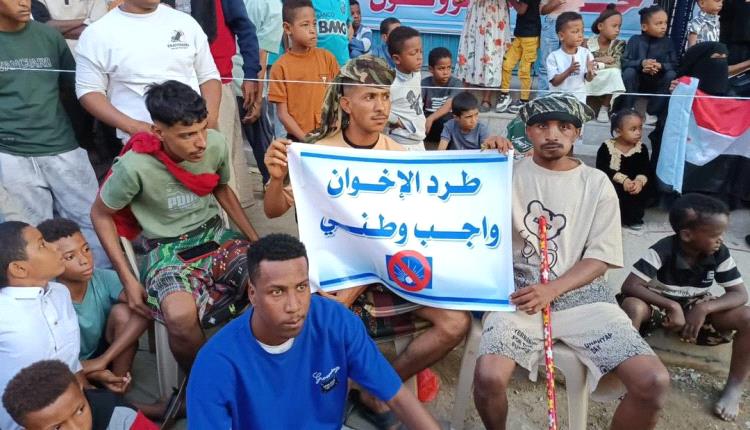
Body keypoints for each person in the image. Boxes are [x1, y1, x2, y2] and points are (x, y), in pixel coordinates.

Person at [264, 55, 472, 428]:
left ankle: (377, 388)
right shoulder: (317, 153)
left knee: (456, 322)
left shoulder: (398, 156)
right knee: (308, 323)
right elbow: (273, 210)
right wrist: (276, 179)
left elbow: (401, 233)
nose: (380, 107)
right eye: (369, 97)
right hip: (328, 278)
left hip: (383, 275)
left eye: (385, 96)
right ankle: (320, 395)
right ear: (346, 104)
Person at [474, 93, 670, 430]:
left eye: (564, 126)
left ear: (577, 133)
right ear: (528, 131)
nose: (553, 134)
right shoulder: (505, 173)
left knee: (653, 382)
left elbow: (601, 257)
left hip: (585, 296)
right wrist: (484, 157)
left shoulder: (596, 183)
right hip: (519, 296)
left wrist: (553, 289)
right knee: (489, 376)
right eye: (542, 126)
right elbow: (465, 200)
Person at [186, 234, 441, 429]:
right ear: (252, 294)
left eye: (301, 287)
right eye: (277, 291)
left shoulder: (336, 322)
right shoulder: (216, 364)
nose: (294, 306)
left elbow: (397, 397)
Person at [90, 81, 259, 372]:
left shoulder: (215, 144)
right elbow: (100, 214)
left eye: (202, 129)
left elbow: (221, 188)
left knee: (269, 281)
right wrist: (128, 279)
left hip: (216, 236)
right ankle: (204, 382)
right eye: (187, 135)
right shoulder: (134, 166)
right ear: (158, 132)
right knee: (179, 316)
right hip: (167, 251)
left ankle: (259, 369)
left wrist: (256, 241)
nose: (201, 142)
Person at [620, 193, 750, 422]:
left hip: (696, 305)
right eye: (715, 235)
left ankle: (734, 386)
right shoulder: (663, 249)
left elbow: (740, 294)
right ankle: (624, 375)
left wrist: (704, 309)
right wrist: (671, 305)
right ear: (687, 235)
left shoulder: (719, 253)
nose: (721, 240)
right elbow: (630, 285)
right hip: (658, 303)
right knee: (633, 307)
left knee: (748, 316)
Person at [0, 0, 108, 269]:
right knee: (32, 235)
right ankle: (50, 291)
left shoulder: (48, 36)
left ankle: (106, 285)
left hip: (63, 146)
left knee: (92, 223)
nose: (24, 2)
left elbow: (74, 88)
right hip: (12, 155)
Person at [0, 222, 130, 430]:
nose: (54, 248)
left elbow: (69, 362)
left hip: (74, 411)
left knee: (125, 414)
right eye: (42, 244)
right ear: (19, 268)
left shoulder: (60, 294)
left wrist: (89, 388)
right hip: (27, 425)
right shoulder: (4, 313)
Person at [75, 0, 221, 142]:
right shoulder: (97, 33)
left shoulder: (185, 23)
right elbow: (89, 91)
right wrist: (134, 127)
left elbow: (208, 76)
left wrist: (208, 121)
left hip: (196, 140)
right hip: (136, 143)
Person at [37, 218, 149, 377]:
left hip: (104, 355)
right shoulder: (46, 296)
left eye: (86, 249)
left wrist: (104, 359)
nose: (84, 260)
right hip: (66, 367)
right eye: (70, 257)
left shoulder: (103, 277)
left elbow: (147, 308)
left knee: (125, 312)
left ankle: (119, 383)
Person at [2, 360, 158, 430]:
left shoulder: (123, 419)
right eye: (57, 428)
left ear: (83, 391)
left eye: (80, 410)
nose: (77, 428)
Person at [269, 0, 340, 142]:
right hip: (298, 139)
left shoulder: (327, 58)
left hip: (329, 136)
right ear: (288, 28)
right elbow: (283, 114)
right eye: (305, 25)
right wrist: (306, 141)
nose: (313, 30)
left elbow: (339, 97)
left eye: (314, 23)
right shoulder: (280, 67)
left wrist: (336, 128)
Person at [234, 0, 283, 186]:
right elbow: (261, 55)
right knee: (261, 139)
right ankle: (273, 184)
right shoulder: (273, 7)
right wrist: (258, 99)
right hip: (246, 81)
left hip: (222, 75)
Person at [595, 109, 652, 228]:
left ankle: (632, 218)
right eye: (633, 129)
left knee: (640, 192)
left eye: (640, 128)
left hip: (633, 186)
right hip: (614, 184)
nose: (638, 133)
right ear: (618, 131)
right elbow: (602, 168)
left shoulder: (641, 148)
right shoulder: (607, 147)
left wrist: (639, 182)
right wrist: (623, 180)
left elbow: (645, 168)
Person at [621, 5, 677, 125]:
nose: (663, 26)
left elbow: (675, 64)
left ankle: (652, 112)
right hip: (637, 81)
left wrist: (660, 66)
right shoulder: (635, 40)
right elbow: (625, 62)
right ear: (644, 27)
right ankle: (627, 109)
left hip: (657, 83)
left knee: (671, 74)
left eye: (665, 23)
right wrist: (642, 63)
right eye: (658, 23)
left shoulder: (668, 42)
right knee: (629, 72)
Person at [455, 0, 511, 112]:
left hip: (496, 13)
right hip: (476, 12)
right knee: (469, 47)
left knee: (491, 51)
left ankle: (487, 99)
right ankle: (462, 95)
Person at [494, 0, 541, 114]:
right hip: (520, 35)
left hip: (531, 37)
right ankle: (505, 95)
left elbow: (521, 10)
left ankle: (524, 101)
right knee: (506, 64)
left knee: (524, 70)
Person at [387, 26, 426, 150]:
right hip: (401, 143)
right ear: (397, 59)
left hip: (418, 140)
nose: (419, 57)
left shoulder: (417, 74)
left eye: (421, 51)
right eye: (413, 53)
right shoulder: (391, 84)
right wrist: (397, 121)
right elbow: (380, 108)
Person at [586, 3, 626, 123]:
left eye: (619, 26)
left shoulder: (619, 44)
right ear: (600, 26)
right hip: (591, 76)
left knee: (615, 72)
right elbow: (584, 63)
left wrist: (595, 63)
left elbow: (617, 64)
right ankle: (584, 106)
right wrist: (600, 60)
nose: (617, 30)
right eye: (614, 26)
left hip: (607, 76)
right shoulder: (587, 43)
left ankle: (605, 107)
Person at [546, 11, 595, 103]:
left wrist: (590, 73)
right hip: (559, 102)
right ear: (561, 36)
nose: (580, 35)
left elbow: (588, 79)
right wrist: (569, 70)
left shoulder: (586, 53)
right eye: (575, 32)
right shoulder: (553, 57)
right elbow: (554, 82)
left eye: (582, 31)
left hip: (579, 101)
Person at [537, 0, 584, 93]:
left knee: (571, 64)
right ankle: (544, 99)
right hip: (552, 23)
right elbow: (542, 10)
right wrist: (557, 1)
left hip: (573, 24)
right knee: (546, 66)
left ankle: (566, 97)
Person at [422, 47, 462, 144]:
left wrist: (431, 118)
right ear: (431, 69)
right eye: (441, 68)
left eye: (449, 67)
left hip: (447, 121)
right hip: (428, 122)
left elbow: (449, 105)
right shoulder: (424, 83)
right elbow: (418, 103)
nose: (446, 72)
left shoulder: (456, 83)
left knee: (451, 122)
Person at [29, 0, 108, 49]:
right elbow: (44, 26)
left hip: (87, 55)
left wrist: (56, 31)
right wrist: (86, 21)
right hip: (52, 54)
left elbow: (98, 30)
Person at [311, 0, 351, 66]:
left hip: (343, 63)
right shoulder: (311, 2)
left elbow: (349, 25)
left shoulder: (345, 1)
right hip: (320, 63)